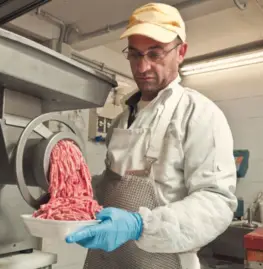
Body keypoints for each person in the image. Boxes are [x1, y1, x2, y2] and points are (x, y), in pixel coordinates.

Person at [65, 3, 238, 269]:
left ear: (181, 52)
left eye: (154, 54)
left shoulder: (199, 114)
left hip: (162, 261)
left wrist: (139, 225)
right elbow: (114, 185)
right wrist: (73, 191)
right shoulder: (124, 117)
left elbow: (216, 202)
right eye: (134, 55)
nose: (142, 66)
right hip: (106, 261)